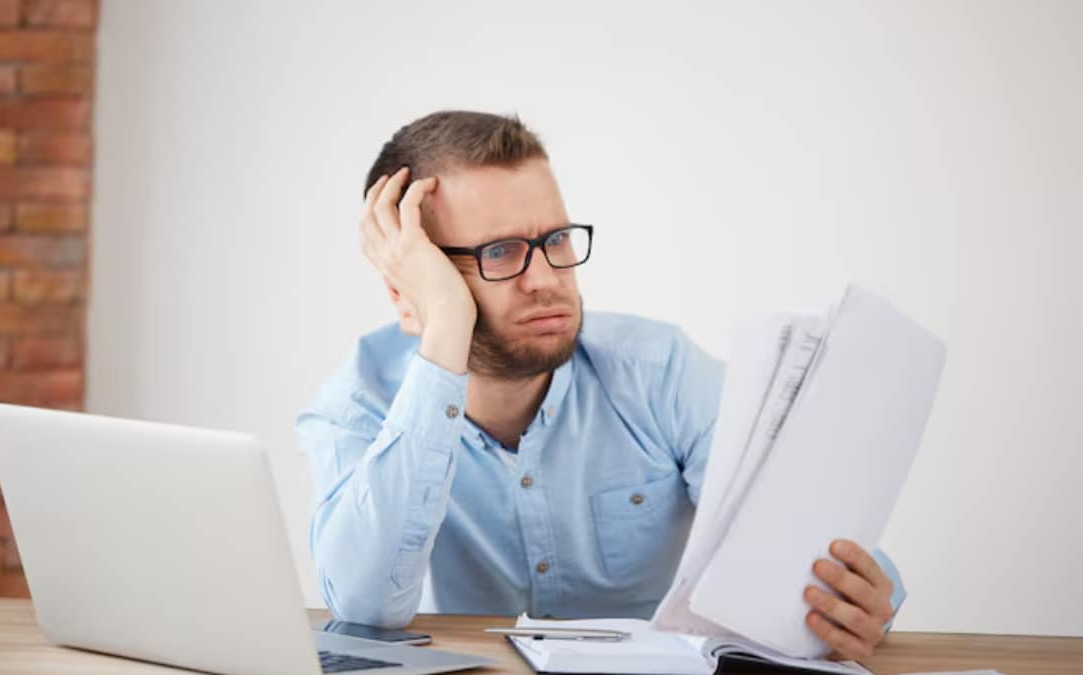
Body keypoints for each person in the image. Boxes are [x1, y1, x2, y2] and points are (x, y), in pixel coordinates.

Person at [297, 110, 904, 659]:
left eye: (555, 240)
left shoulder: (660, 372)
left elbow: (795, 534)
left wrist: (861, 595)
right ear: (414, 287)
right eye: (502, 252)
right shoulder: (358, 406)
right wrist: (446, 328)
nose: (545, 279)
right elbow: (366, 610)